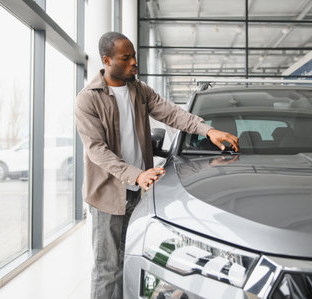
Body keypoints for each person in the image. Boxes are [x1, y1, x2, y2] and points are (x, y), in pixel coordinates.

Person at [74, 31, 239, 299]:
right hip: (107, 195)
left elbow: (172, 113)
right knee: (107, 268)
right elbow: (97, 150)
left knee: (133, 263)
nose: (133, 63)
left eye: (134, 56)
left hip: (140, 193)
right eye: (125, 58)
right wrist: (136, 175)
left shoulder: (139, 91)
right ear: (106, 60)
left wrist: (208, 131)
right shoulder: (88, 99)